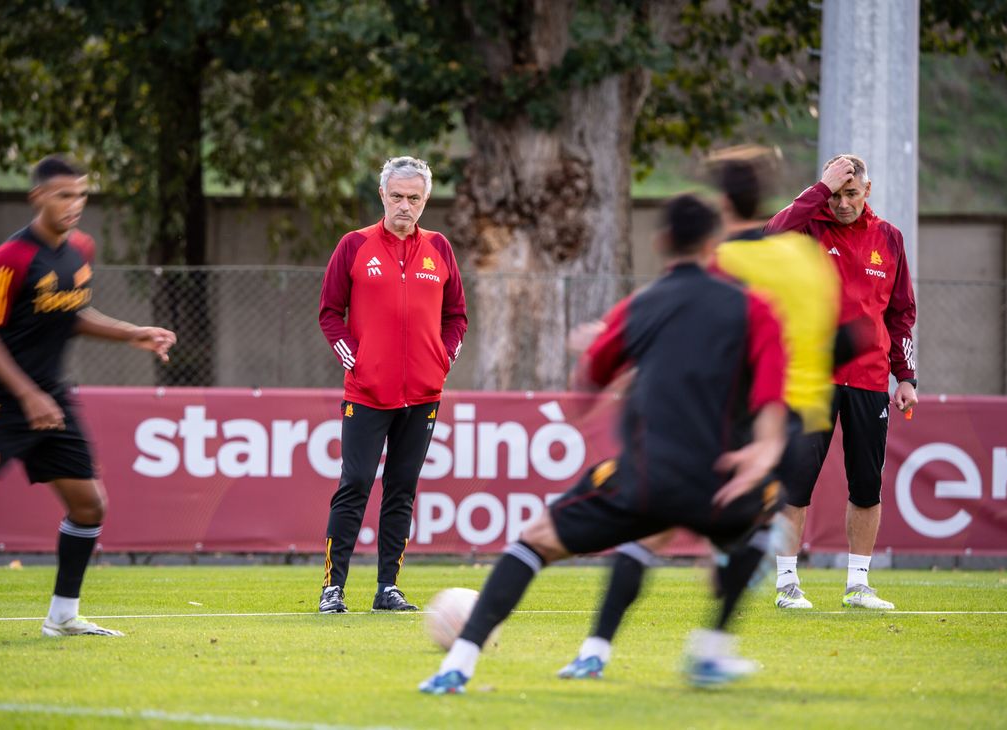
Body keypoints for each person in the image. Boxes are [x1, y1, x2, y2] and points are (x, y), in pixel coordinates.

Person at [419, 194, 789, 694]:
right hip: (718, 482)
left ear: (662, 243)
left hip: (644, 481)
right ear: (713, 244)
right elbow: (771, 398)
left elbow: (585, 393)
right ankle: (711, 650)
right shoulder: (754, 309)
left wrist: (600, 346)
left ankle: (457, 666)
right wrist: (763, 453)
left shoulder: (640, 307)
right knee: (770, 518)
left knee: (534, 541)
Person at [556, 148, 845, 680]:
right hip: (801, 421)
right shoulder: (809, 261)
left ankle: (597, 649)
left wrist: (614, 346)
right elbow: (843, 337)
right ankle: (715, 629)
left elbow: (690, 334)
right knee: (755, 532)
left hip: (729, 418)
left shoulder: (723, 266)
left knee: (656, 532)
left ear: (721, 203)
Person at [0, 155, 176, 637]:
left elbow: (72, 314)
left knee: (90, 505)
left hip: (51, 398)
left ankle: (63, 617)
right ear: (38, 198)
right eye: (64, 195)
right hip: (4, 402)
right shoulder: (11, 258)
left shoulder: (80, 250)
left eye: (82, 195)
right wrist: (27, 396)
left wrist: (132, 333)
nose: (75, 205)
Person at [765, 153, 917, 610]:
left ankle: (858, 585)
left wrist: (905, 375)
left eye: (851, 194)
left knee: (867, 486)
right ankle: (787, 584)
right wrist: (818, 191)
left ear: (866, 192)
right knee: (796, 481)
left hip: (870, 380)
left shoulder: (889, 238)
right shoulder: (807, 227)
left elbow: (901, 313)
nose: (843, 203)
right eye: (835, 194)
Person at [317, 156, 468, 614]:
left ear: (425, 200)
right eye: (397, 196)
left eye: (414, 198)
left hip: (423, 395)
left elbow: (457, 316)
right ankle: (333, 587)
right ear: (382, 195)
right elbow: (329, 313)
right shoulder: (354, 245)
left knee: (402, 488)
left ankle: (388, 588)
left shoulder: (439, 248)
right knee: (356, 482)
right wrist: (357, 360)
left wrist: (441, 359)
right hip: (366, 392)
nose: (405, 205)